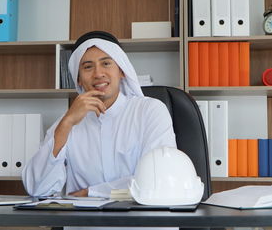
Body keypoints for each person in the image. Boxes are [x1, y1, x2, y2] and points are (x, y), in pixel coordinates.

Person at [22, 30, 177, 200]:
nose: (98, 73)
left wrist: (91, 192)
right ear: (79, 79)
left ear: (122, 71)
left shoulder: (150, 111)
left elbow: (159, 178)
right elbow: (37, 189)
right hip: (86, 224)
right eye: (88, 67)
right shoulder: (67, 123)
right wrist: (66, 125)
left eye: (106, 63)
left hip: (140, 222)